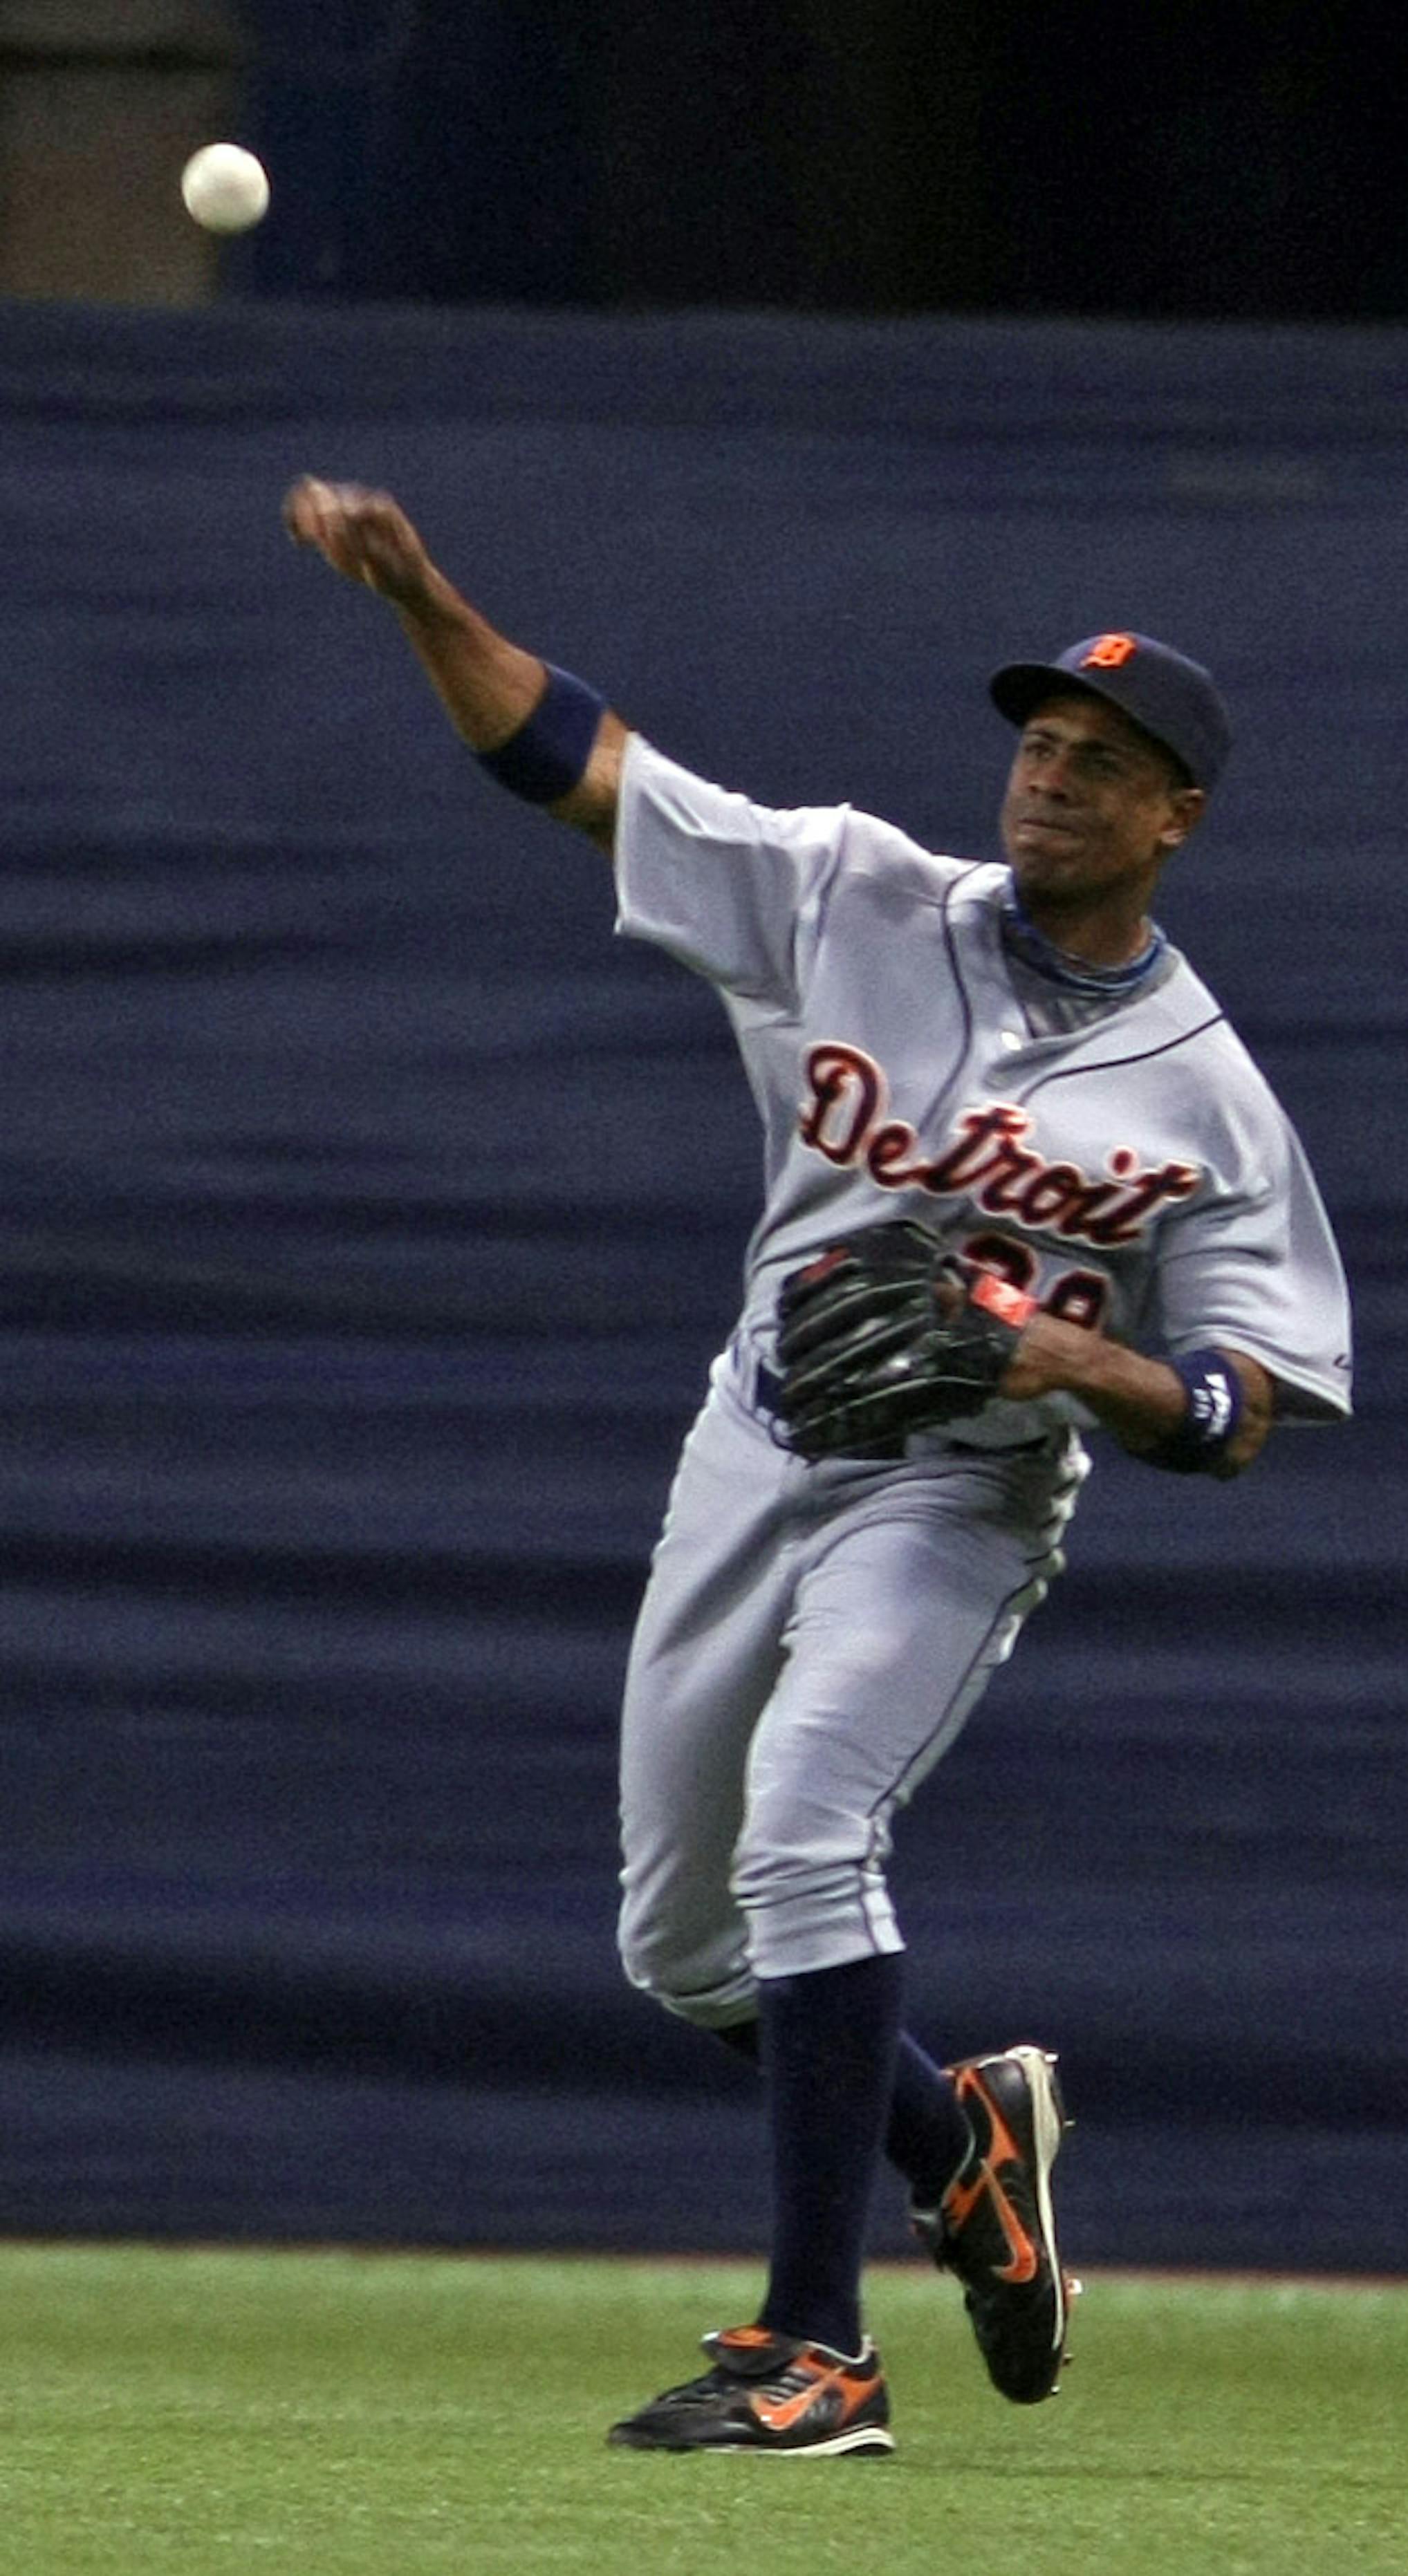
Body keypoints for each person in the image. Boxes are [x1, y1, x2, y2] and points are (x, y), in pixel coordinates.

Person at [283, 476, 1353, 2458]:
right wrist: (424, 597)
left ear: (1175, 819)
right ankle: (965, 2145)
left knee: (805, 1835)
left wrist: (1076, 1356)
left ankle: (816, 2353)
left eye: (1103, 763)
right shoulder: (854, 893)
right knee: (682, 1945)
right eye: (1040, 743)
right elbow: (581, 766)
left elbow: (1242, 1407)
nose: (1052, 779)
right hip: (757, 1433)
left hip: (959, 1493)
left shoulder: (1208, 1093)